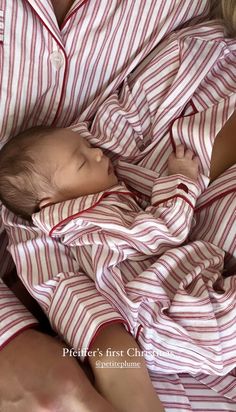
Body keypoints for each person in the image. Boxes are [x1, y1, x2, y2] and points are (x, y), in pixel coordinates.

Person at [0, 1, 235, 411]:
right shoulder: (81, 212)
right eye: (84, 156)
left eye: (88, 151)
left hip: (151, 326)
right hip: (146, 324)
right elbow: (161, 226)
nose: (96, 155)